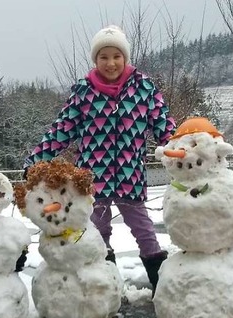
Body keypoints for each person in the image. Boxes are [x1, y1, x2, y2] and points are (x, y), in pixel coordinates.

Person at [23, 25, 176, 294]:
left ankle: (162, 289)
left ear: (125, 57)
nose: (110, 62)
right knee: (97, 234)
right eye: (103, 57)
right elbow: (62, 130)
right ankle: (107, 290)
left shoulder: (144, 88)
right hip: (92, 179)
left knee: (144, 232)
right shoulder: (84, 91)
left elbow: (165, 126)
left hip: (131, 175)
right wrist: (36, 160)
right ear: (95, 60)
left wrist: (184, 149)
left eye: (116, 56)